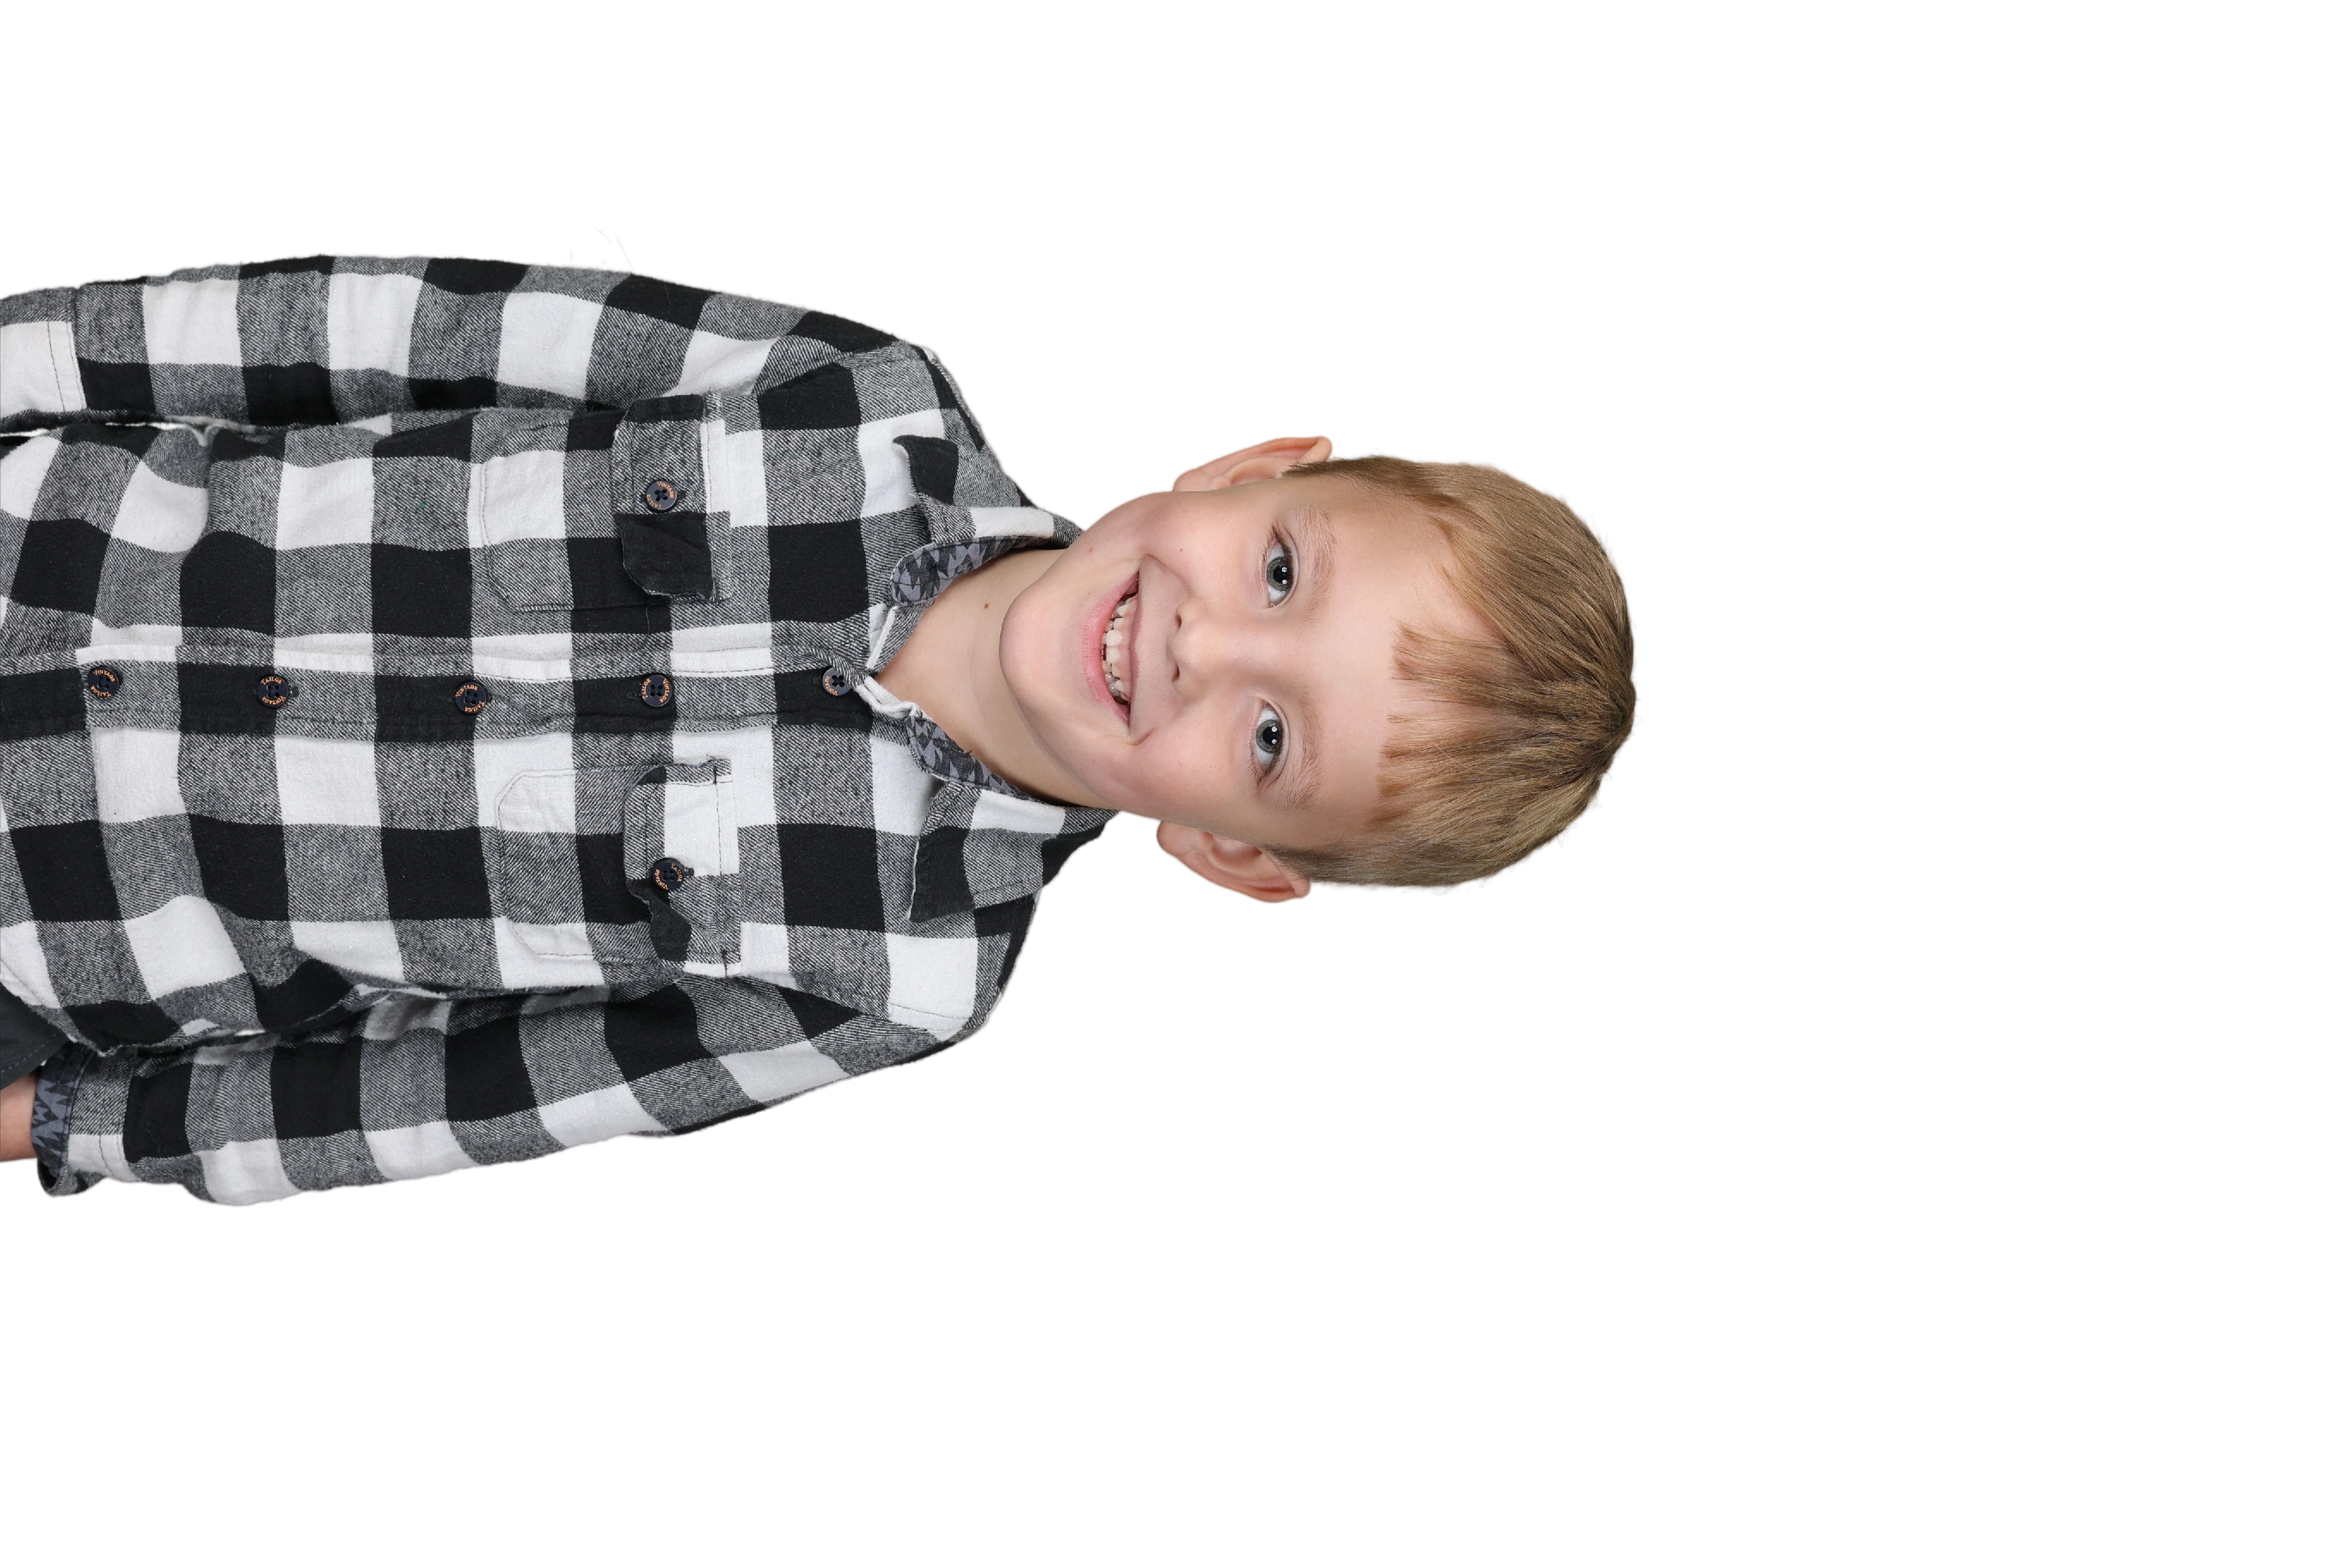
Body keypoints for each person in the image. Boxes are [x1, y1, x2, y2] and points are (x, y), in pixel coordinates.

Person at [0, 252, 1641, 1205]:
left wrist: (72, 1125)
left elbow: (471, 1094)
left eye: (1272, 741)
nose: (1204, 645)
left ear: (1231, 854)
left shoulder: (898, 973)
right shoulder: (851, 392)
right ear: (1251, 468)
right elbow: (386, 332)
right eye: (1279, 571)